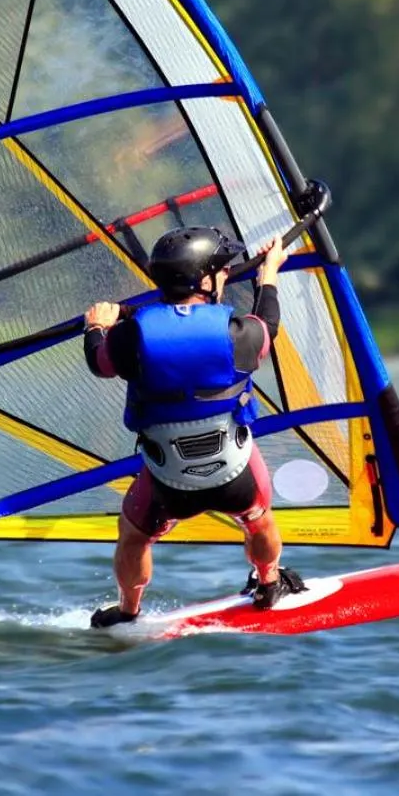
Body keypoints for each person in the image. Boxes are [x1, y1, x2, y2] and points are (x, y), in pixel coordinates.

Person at [84, 227, 306, 628]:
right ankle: (269, 581)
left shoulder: (132, 337)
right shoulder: (234, 333)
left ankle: (128, 612)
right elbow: (267, 325)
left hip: (168, 485)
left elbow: (99, 364)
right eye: (221, 271)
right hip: (235, 474)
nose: (225, 276)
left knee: (133, 536)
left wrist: (98, 326)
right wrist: (268, 272)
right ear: (203, 280)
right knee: (260, 517)